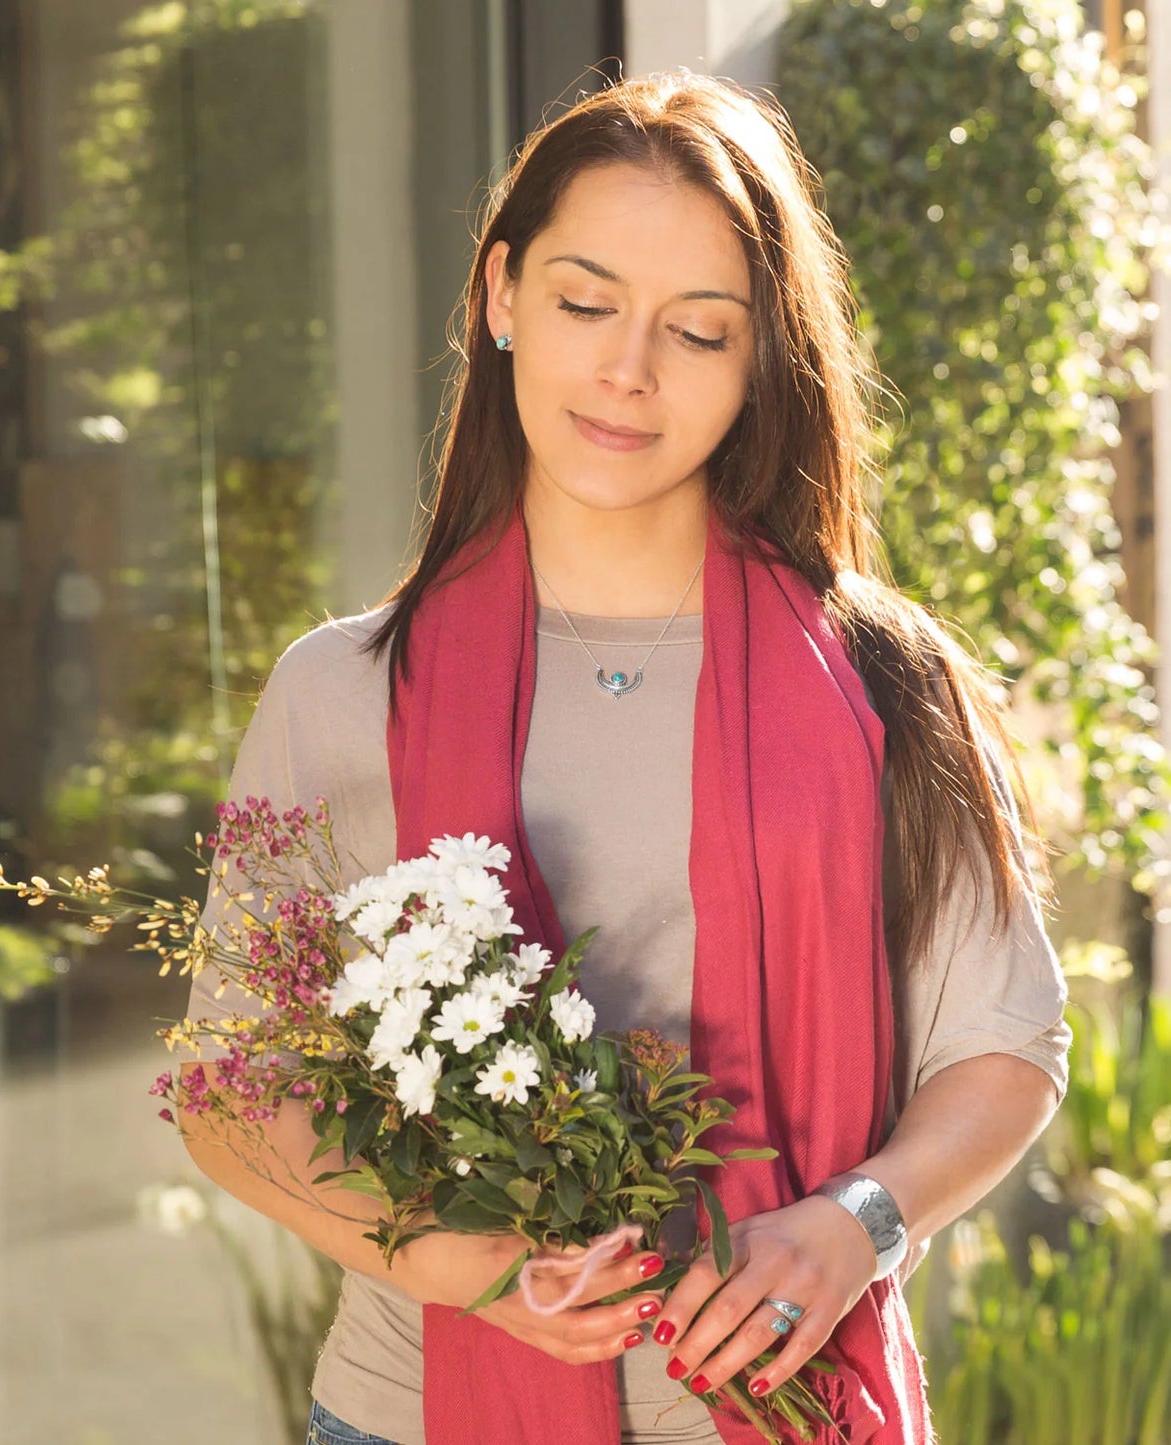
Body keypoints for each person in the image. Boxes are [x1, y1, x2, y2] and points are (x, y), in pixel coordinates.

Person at [176, 70, 1069, 1445]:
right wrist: (469, 1273)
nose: (625, 371)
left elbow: (1002, 1047)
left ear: (758, 356)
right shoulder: (340, 691)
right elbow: (234, 1093)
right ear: (500, 296)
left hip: (779, 1399)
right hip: (412, 1413)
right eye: (585, 302)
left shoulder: (887, 685)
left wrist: (857, 1221)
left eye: (697, 330)